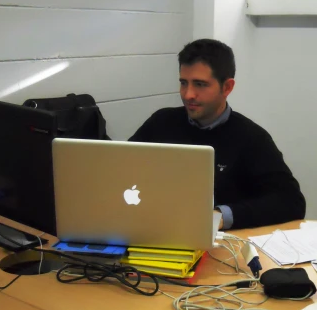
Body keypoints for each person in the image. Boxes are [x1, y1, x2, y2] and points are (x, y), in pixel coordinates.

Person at [129, 38, 306, 230]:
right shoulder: (161, 122)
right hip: (155, 230)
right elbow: (120, 169)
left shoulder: (251, 138)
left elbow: (291, 202)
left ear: (227, 87)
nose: (188, 94)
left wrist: (220, 216)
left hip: (222, 246)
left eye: (200, 84)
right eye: (183, 83)